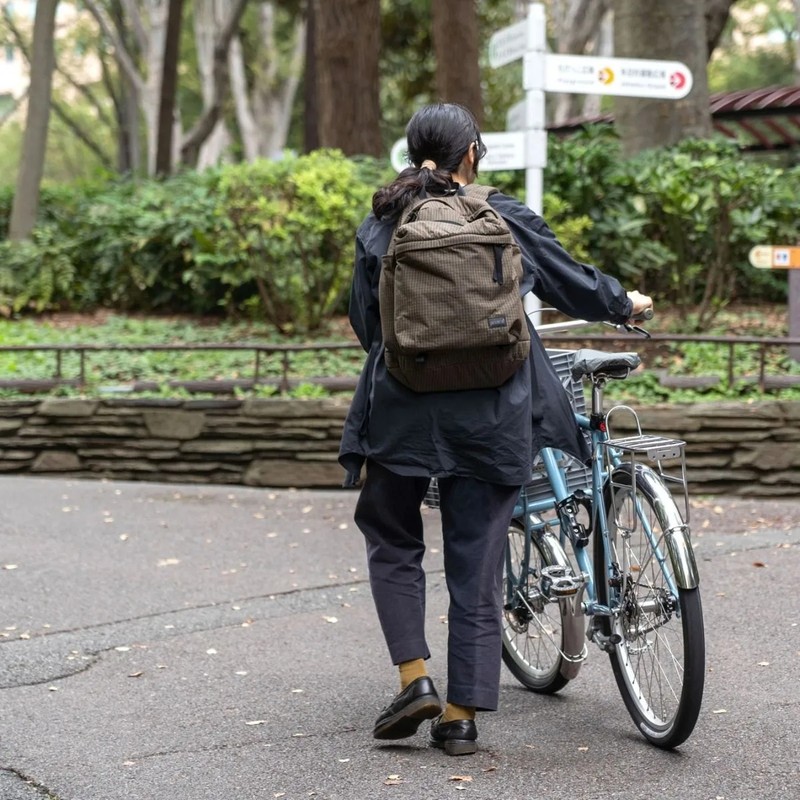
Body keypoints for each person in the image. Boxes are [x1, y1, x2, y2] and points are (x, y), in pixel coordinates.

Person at [338, 102, 652, 756]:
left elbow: (367, 324)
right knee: (477, 555)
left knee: (392, 536)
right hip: (493, 411)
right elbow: (568, 281)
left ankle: (414, 679)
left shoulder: (384, 219)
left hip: (403, 410)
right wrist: (623, 303)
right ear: (472, 154)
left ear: (412, 151)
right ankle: (461, 716)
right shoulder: (500, 214)